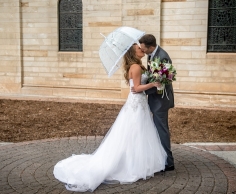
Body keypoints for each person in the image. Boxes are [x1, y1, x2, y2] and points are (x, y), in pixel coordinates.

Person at [53, 43, 167, 192]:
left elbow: (136, 87)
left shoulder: (135, 65)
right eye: (139, 48)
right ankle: (131, 164)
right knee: (135, 132)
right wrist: (153, 83)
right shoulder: (136, 67)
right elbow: (137, 88)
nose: (142, 50)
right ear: (133, 53)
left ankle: (133, 161)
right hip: (136, 104)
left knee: (135, 133)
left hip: (137, 103)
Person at [138, 34, 175, 171]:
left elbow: (164, 82)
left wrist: (143, 90)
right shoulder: (151, 55)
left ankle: (168, 162)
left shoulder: (162, 56)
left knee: (161, 130)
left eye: (143, 48)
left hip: (161, 100)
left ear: (150, 46)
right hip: (155, 98)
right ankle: (161, 157)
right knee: (157, 129)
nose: (142, 51)